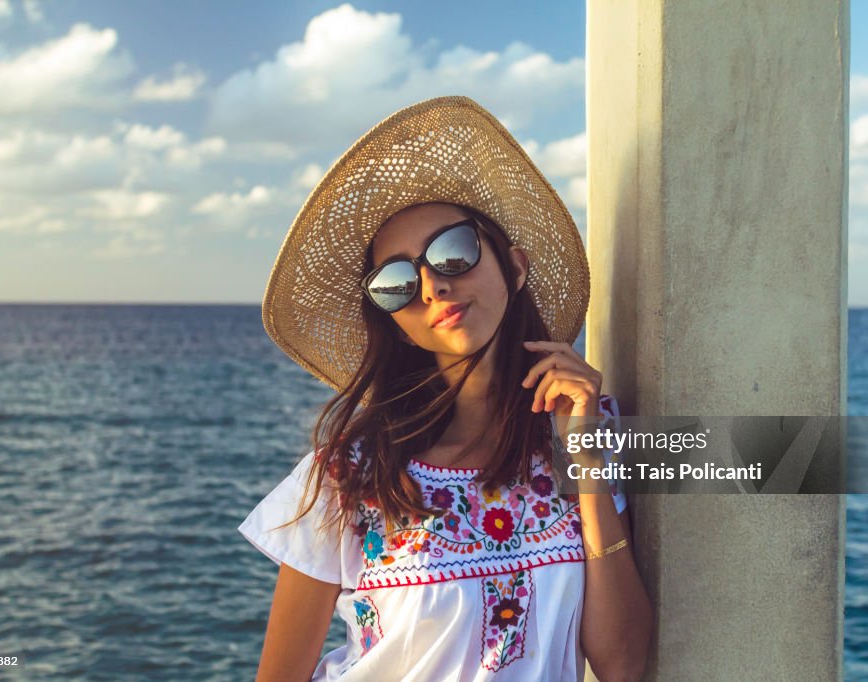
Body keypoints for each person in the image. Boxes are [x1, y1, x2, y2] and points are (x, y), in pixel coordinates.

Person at [238, 96, 653, 681]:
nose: (432, 286)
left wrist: (583, 459)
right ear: (397, 325)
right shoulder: (348, 475)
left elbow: (622, 664)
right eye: (397, 283)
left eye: (453, 252)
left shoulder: (597, 436)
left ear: (514, 266)